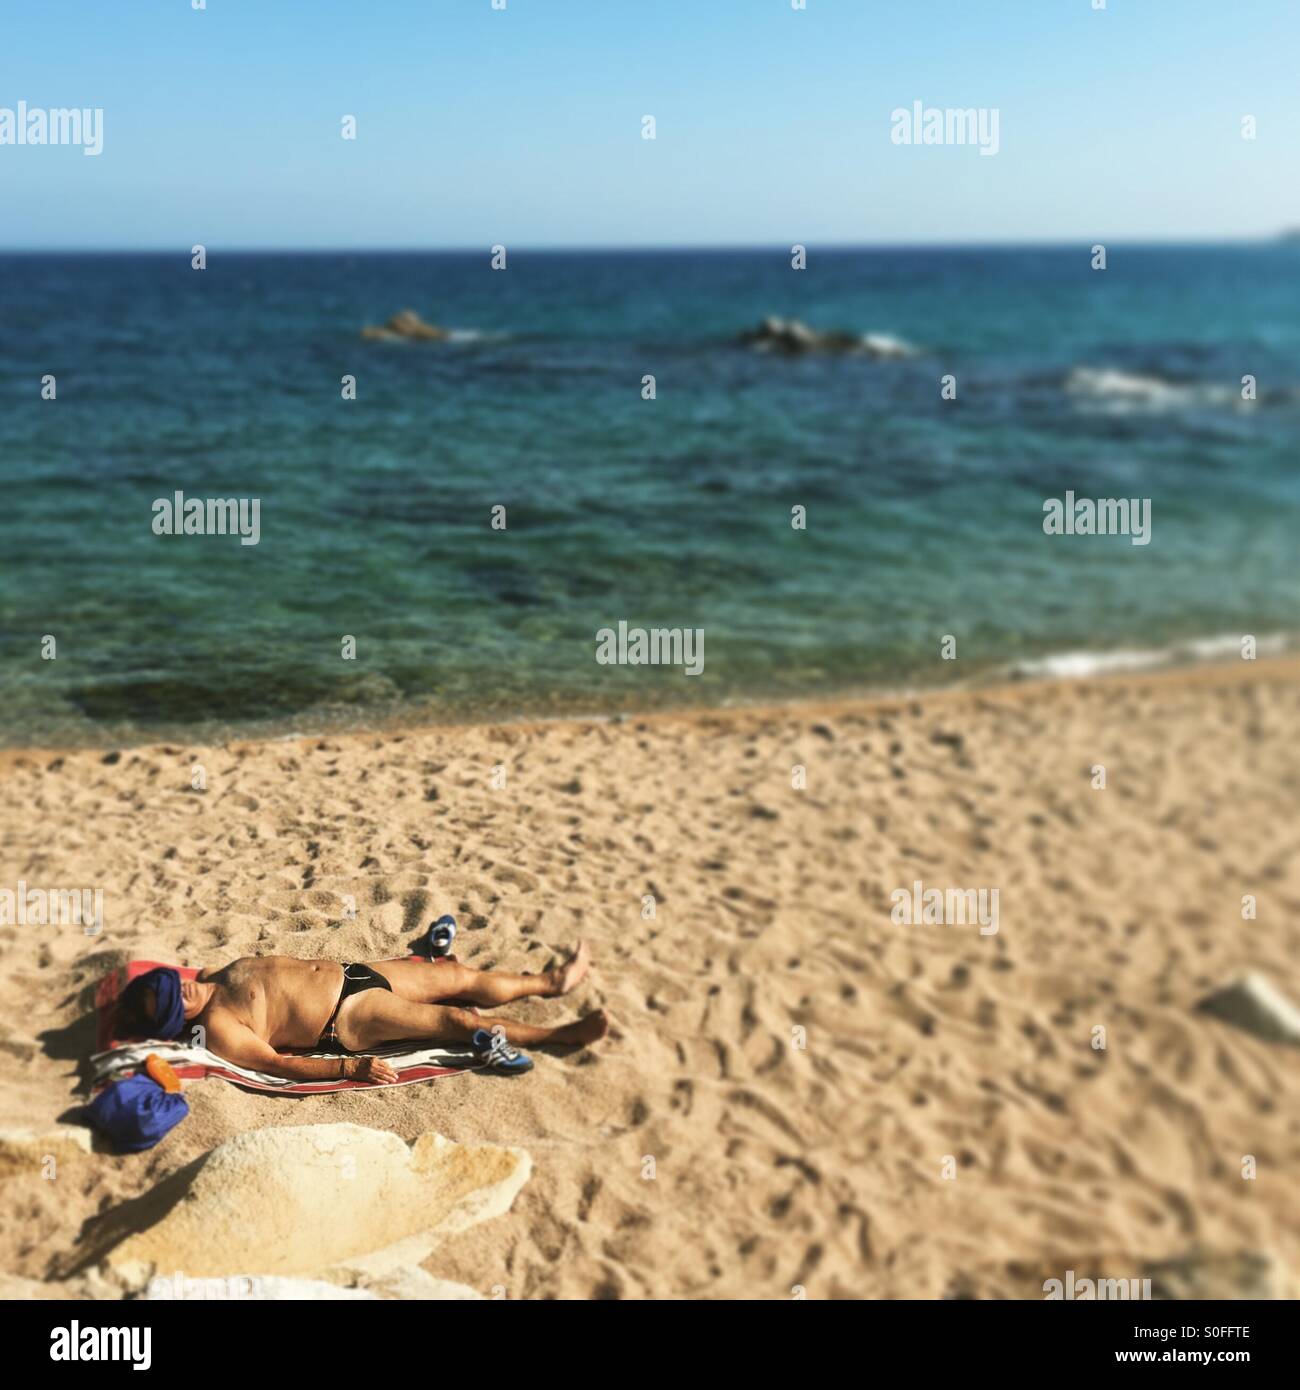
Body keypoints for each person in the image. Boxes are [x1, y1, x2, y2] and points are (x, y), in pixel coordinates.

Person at [115, 942, 606, 1083]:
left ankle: (550, 982)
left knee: (460, 978)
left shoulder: (211, 973)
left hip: (354, 972)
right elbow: (277, 1064)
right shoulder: (218, 1028)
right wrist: (351, 1067)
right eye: (170, 1001)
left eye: (166, 984)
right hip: (347, 1018)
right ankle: (556, 1036)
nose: (178, 988)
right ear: (173, 1024)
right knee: (459, 1022)